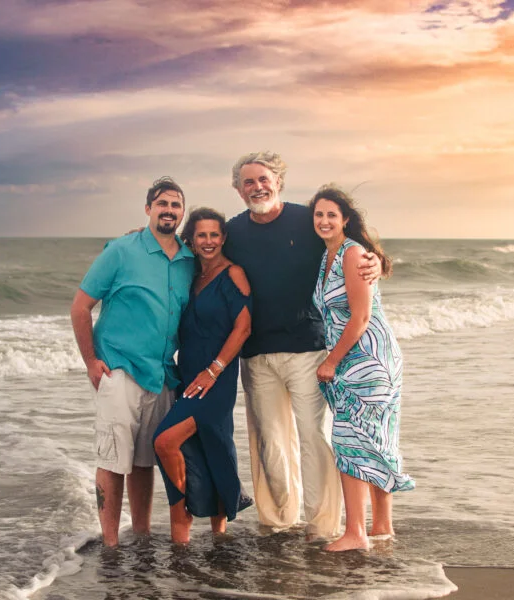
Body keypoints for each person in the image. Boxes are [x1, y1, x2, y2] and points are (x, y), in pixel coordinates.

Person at [223, 151, 382, 540]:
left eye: (264, 179)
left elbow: (347, 246)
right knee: (271, 444)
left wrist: (375, 260)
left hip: (310, 350)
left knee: (315, 438)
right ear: (238, 190)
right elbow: (203, 260)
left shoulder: (306, 220)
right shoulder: (234, 231)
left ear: (278, 181)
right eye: (248, 181)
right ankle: (279, 521)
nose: (257, 186)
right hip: (257, 355)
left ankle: (322, 525)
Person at [70, 176, 196, 547]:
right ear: (148, 209)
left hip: (161, 375)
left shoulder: (188, 260)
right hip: (119, 370)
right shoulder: (121, 251)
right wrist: (92, 362)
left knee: (144, 461)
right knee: (113, 459)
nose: (169, 210)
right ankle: (110, 543)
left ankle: (140, 534)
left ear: (182, 213)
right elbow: (80, 307)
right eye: (162, 203)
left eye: (175, 205)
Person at [310, 184, 415, 551]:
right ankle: (382, 527)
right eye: (319, 215)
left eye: (331, 215)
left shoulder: (352, 253)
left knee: (349, 440)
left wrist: (331, 361)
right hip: (365, 356)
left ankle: (355, 533)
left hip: (367, 358)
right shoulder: (329, 256)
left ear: (346, 220)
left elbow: (362, 316)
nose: (324, 221)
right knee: (375, 438)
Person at [153, 208, 254, 544]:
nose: (208, 241)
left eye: (214, 234)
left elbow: (243, 328)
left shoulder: (233, 273)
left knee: (165, 441)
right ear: (192, 241)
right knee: (206, 447)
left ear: (223, 238)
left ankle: (184, 513)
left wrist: (215, 370)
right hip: (189, 375)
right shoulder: (192, 276)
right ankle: (208, 538)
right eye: (201, 235)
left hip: (216, 379)